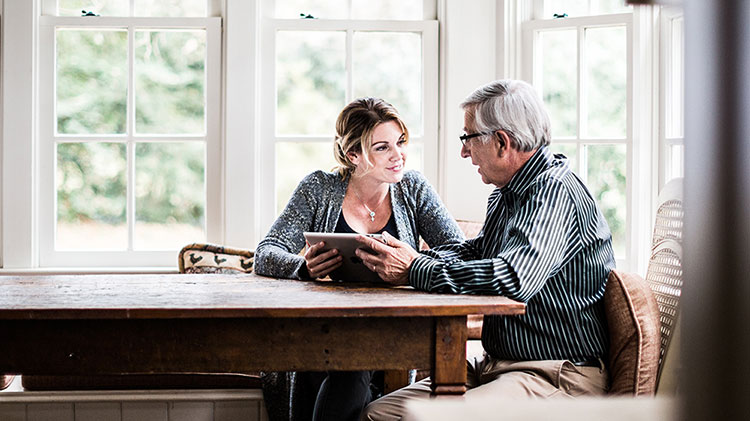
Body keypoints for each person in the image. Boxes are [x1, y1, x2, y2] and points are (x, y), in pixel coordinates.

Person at [355, 79, 616, 420]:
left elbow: (513, 277)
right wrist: (406, 257)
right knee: (378, 413)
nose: (464, 152)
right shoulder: (508, 193)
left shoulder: (552, 192)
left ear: (502, 142)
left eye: (468, 138)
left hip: (554, 372)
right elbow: (478, 252)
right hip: (500, 364)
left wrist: (414, 269)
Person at [254, 97, 465, 421]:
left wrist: (412, 261)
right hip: (320, 329)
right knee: (339, 367)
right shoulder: (319, 188)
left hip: (387, 331)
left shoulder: (414, 188)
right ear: (353, 154)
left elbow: (459, 252)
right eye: (382, 147)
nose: (399, 156)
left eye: (401, 142)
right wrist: (303, 268)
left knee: (354, 362)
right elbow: (266, 253)